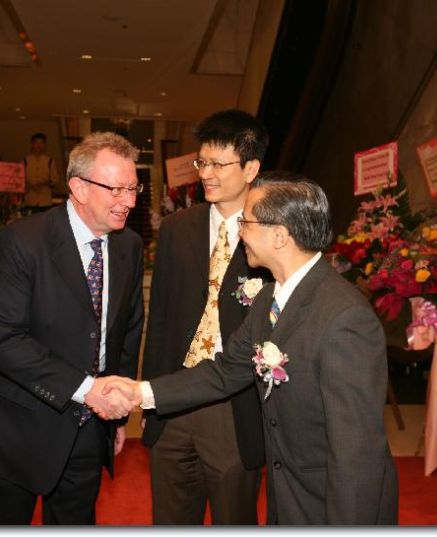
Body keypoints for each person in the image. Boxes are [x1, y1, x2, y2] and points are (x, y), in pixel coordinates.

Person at [105, 173, 399, 525]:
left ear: (279, 235)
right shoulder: (269, 298)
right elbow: (226, 370)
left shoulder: (344, 317)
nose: (238, 231)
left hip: (328, 504)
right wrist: (141, 392)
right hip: (287, 495)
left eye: (246, 222)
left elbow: (357, 451)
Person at [0, 131, 145, 525]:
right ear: (79, 188)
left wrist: (116, 414)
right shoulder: (22, 241)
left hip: (89, 429)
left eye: (133, 188)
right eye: (117, 189)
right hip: (17, 426)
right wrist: (87, 389)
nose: (130, 201)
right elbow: (2, 339)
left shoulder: (128, 246)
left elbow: (128, 331)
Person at [141, 109, 269, 524]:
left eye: (218, 164)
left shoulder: (274, 231)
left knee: (234, 518)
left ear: (250, 168)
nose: (206, 174)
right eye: (202, 162)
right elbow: (160, 321)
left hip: (235, 408)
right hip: (173, 402)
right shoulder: (177, 228)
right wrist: (151, 400)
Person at [23, 132, 61, 211]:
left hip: (45, 200)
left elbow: (55, 180)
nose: (39, 145)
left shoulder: (50, 160)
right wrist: (29, 184)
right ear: (32, 144)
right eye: (36, 143)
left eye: (41, 143)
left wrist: (45, 182)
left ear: (44, 145)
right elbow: (19, 180)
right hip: (30, 199)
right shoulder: (25, 160)